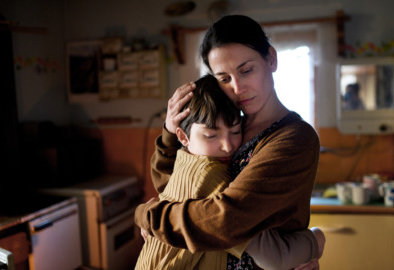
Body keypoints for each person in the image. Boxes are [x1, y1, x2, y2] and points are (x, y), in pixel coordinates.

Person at [135, 15, 323, 269]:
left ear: (271, 59)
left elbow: (225, 221)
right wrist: (171, 133)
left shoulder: (293, 138)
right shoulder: (231, 127)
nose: (237, 87)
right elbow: (177, 185)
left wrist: (148, 216)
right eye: (224, 78)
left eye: (246, 70)